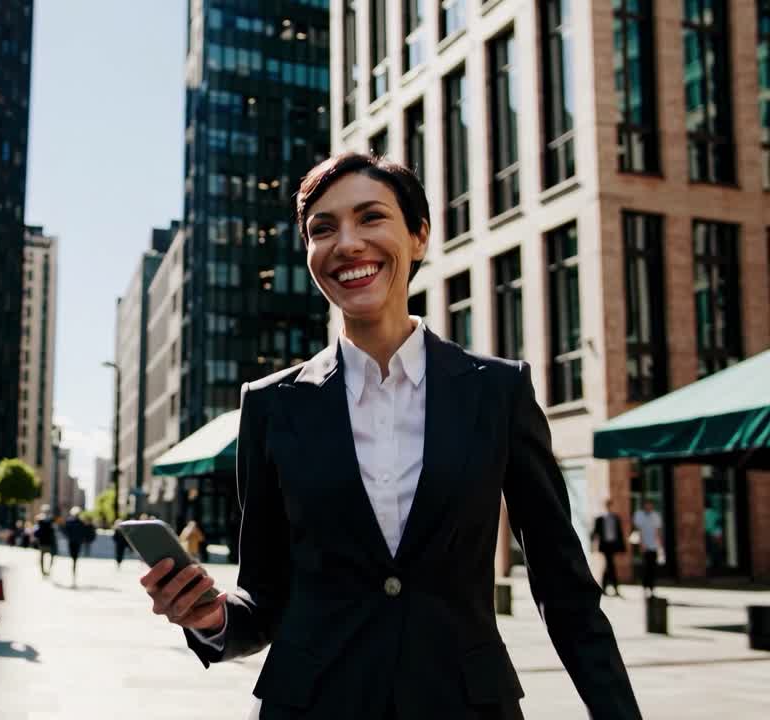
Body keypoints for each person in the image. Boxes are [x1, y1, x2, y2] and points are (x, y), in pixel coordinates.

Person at [137, 152, 640, 719]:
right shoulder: (270, 407)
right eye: (322, 229)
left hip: (466, 705)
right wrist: (211, 618)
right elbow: (264, 598)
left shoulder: (498, 392)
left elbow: (563, 586)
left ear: (419, 236)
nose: (346, 243)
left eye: (371, 217)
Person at [592, 499, 626, 597]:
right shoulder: (600, 519)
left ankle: (605, 588)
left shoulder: (616, 518)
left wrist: (622, 548)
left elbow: (619, 533)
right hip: (604, 545)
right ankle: (613, 587)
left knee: (609, 567)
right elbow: (595, 533)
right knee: (610, 566)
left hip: (613, 545)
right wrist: (593, 546)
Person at [632, 500, 664, 599]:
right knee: (645, 568)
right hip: (644, 545)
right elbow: (638, 530)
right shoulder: (639, 515)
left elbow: (657, 531)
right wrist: (641, 544)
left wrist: (659, 546)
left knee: (652, 568)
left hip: (653, 545)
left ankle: (652, 588)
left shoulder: (656, 516)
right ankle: (645, 588)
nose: (648, 507)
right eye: (647, 505)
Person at [62, 507, 87, 587]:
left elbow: (65, 531)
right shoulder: (79, 522)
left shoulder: (71, 522)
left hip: (73, 542)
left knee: (74, 557)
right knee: (74, 557)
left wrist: (69, 537)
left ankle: (74, 568)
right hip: (76, 542)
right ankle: (74, 568)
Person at [34, 507, 57, 577]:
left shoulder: (41, 520)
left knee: (42, 557)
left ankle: (44, 571)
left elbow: (36, 531)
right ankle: (46, 571)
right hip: (47, 542)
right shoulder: (49, 520)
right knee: (47, 557)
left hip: (44, 541)